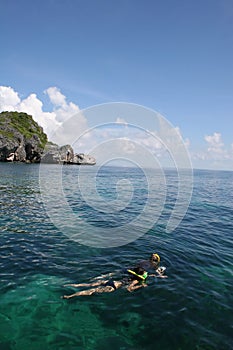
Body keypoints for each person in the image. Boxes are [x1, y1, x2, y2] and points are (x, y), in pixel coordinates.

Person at [62, 267, 149, 299]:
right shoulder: (136, 280)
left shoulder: (130, 274)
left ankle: (69, 285)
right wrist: (141, 286)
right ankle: (70, 296)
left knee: (88, 285)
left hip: (111, 281)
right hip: (112, 287)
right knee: (91, 291)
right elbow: (129, 288)